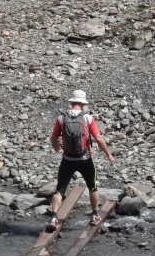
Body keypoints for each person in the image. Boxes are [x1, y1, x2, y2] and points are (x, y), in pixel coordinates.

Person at [48, 89, 115, 230]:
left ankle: (54, 218)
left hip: (67, 159)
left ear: (72, 102)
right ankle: (95, 215)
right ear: (83, 103)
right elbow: (98, 138)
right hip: (85, 159)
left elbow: (53, 138)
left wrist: (56, 147)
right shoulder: (88, 118)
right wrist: (108, 154)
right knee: (92, 186)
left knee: (59, 189)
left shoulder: (61, 118)